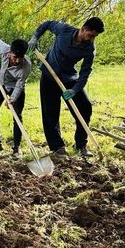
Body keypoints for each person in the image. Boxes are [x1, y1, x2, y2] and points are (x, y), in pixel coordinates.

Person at [28, 17, 105, 158]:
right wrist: (35, 37)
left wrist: (75, 89)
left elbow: (85, 72)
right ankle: (58, 148)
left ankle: (81, 144)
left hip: (69, 78)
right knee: (50, 112)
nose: (92, 39)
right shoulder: (64, 30)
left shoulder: (90, 49)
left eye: (95, 37)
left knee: (85, 107)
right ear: (83, 29)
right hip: (49, 76)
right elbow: (47, 23)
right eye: (91, 35)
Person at [0, 39, 31, 159]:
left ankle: (16, 148)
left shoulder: (26, 65)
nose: (17, 60)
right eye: (15, 57)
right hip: (1, 83)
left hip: (16, 87)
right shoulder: (5, 49)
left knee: (17, 115)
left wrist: (12, 98)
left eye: (20, 58)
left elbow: (20, 84)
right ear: (10, 53)